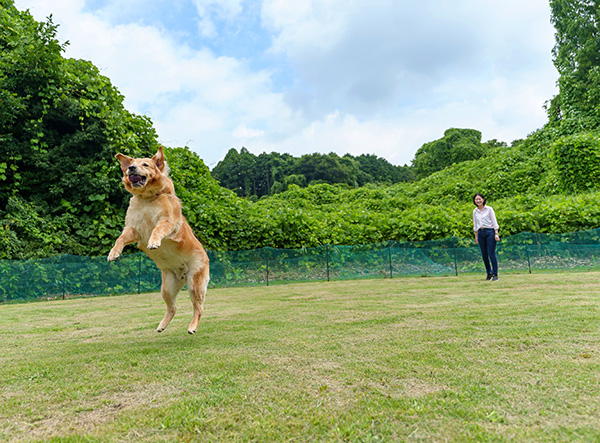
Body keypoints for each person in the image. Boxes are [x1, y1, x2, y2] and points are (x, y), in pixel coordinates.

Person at [472, 193, 500, 281]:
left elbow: (494, 221)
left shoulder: (489, 209)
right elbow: (475, 225)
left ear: (483, 199)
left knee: (491, 253)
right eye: (476, 199)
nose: (478, 201)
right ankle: (488, 272)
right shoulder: (475, 211)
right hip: (481, 232)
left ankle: (495, 274)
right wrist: (476, 236)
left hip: (490, 232)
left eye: (480, 199)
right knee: (484, 255)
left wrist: (496, 233)